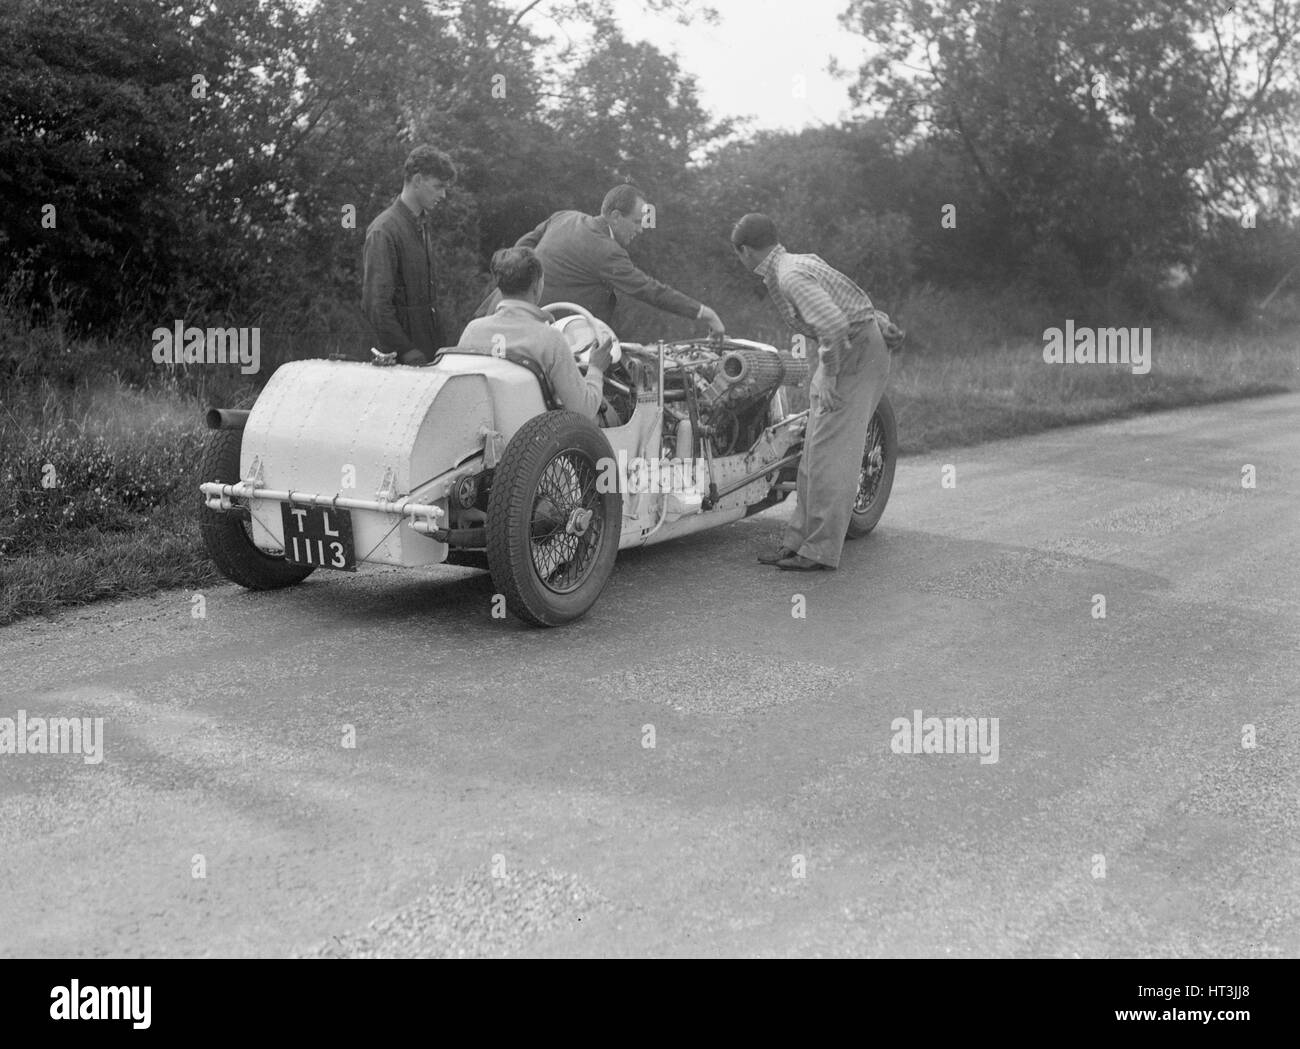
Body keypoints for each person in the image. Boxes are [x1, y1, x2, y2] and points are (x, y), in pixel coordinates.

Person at [731, 213, 891, 572]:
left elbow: (833, 323)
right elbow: (850, 299)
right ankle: (797, 542)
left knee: (832, 456)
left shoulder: (789, 275)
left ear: (745, 251)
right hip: (849, 347)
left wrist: (830, 377)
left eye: (739, 255)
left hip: (853, 355)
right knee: (814, 452)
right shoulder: (796, 262)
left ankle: (818, 550)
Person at [476, 184, 726, 335]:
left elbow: (520, 248)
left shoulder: (564, 216)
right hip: (533, 334)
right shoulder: (607, 252)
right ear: (616, 216)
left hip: (490, 317)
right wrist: (705, 313)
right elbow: (650, 290)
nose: (641, 229)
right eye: (637, 222)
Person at [457, 246, 613, 422]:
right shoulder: (550, 339)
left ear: (500, 286)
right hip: (538, 442)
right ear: (537, 285)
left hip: (484, 436)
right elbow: (584, 410)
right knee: (606, 415)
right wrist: (596, 369)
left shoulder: (472, 331)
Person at [361, 145, 457, 366]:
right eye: (438, 186)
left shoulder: (420, 224)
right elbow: (375, 305)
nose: (443, 194)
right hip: (401, 362)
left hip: (429, 353)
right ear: (417, 180)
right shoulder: (384, 230)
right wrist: (405, 350)